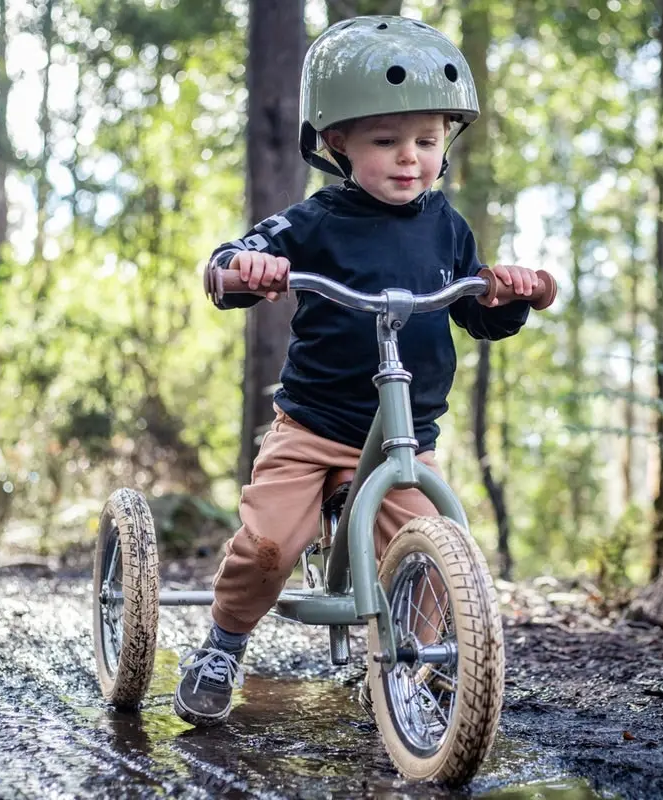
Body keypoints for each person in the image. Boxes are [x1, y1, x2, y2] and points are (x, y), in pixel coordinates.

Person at [174, 14, 539, 727]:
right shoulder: (314, 223)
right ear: (337, 142)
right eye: (386, 141)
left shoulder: (447, 227)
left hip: (405, 438)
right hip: (313, 427)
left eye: (427, 141)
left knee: (434, 556)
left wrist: (509, 295)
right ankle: (223, 646)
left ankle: (417, 666)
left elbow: (478, 310)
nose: (411, 158)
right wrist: (247, 267)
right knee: (270, 544)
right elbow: (229, 266)